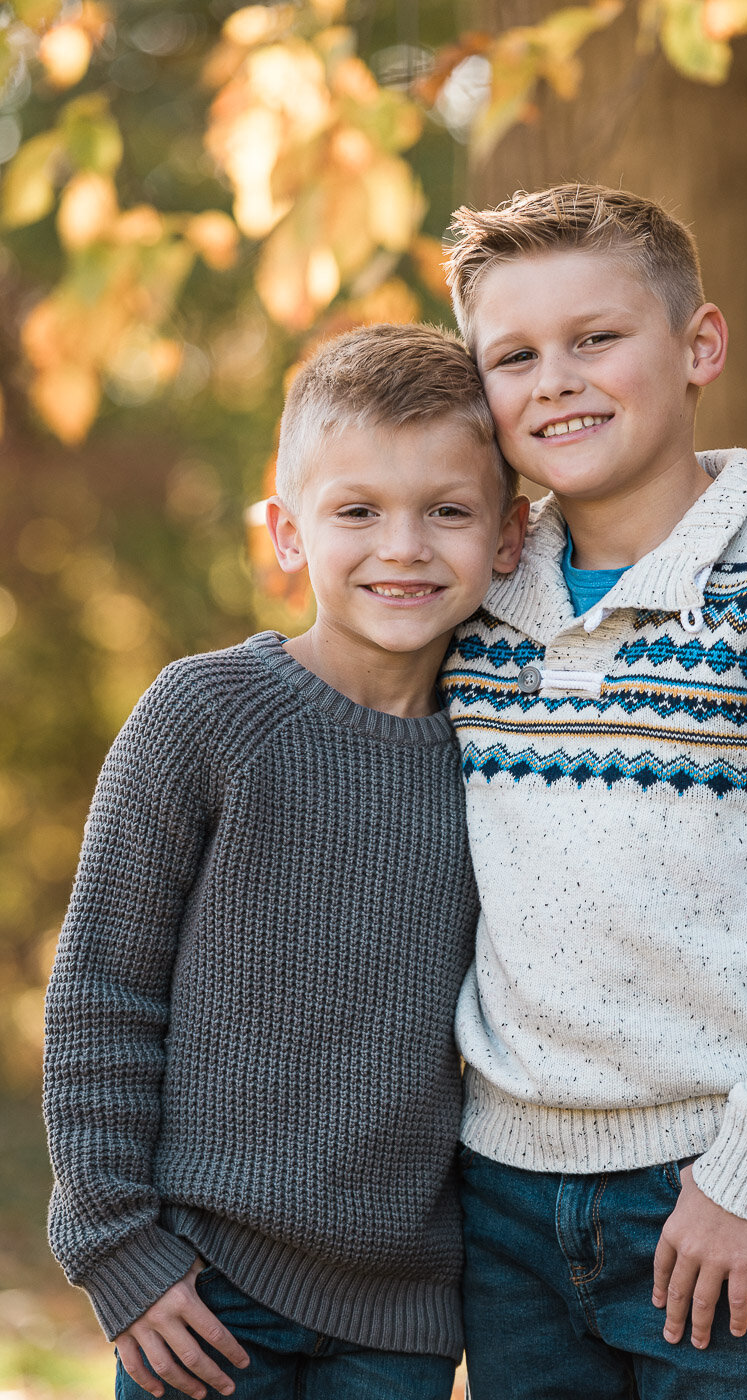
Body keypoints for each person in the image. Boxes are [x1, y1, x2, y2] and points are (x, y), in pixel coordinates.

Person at [439, 183, 747, 1399]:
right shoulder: (474, 590)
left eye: (595, 337)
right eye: (514, 355)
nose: (555, 379)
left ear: (699, 344)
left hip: (726, 1178)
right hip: (500, 1193)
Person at [43, 322, 527, 1400]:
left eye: (446, 510)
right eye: (357, 510)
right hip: (205, 1286)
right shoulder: (204, 715)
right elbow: (100, 991)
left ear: (509, 536)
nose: (402, 546)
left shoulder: (508, 757)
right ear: (287, 532)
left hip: (401, 1311)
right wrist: (117, 1243)